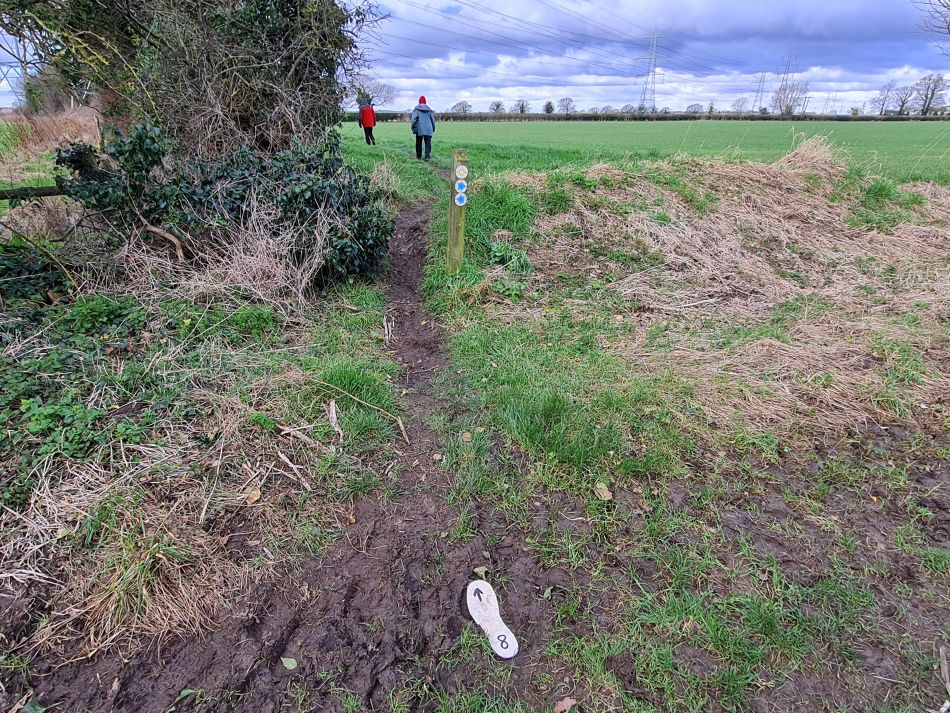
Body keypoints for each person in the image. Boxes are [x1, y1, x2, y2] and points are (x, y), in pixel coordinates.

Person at [410, 95, 435, 161]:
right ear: (425, 102)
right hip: (429, 129)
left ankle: (419, 157)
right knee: (428, 143)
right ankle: (427, 157)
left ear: (419, 102)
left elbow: (413, 120)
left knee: (418, 143)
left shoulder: (416, 110)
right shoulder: (429, 110)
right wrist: (433, 128)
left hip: (419, 129)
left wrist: (412, 127)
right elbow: (433, 120)